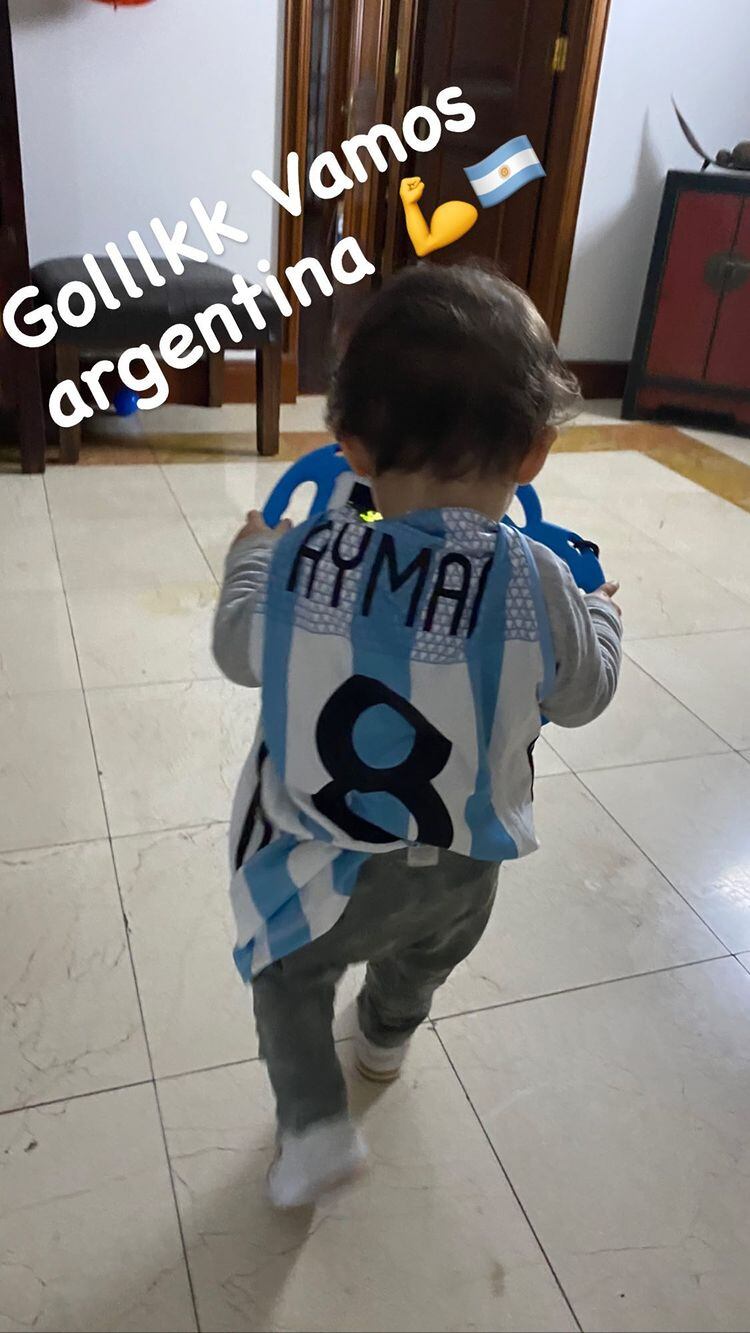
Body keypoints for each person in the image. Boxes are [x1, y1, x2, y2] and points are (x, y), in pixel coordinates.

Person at [213, 263, 622, 1208]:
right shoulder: (541, 584)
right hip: (464, 863)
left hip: (320, 867)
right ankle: (388, 1037)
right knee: (420, 957)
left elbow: (240, 651)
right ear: (534, 454)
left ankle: (314, 1125)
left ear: (350, 446)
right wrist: (600, 611)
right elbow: (586, 694)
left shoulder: (303, 559)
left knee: (287, 977)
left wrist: (249, 559)